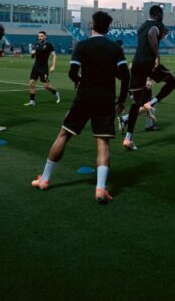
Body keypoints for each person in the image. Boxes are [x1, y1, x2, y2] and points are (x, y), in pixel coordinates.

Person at [30, 11, 129, 205]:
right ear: (108, 28)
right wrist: (122, 100)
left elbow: (72, 72)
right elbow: (125, 76)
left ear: (92, 25)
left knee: (63, 135)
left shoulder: (82, 45)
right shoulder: (115, 48)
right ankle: (100, 188)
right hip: (106, 98)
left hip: (84, 96)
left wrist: (80, 82)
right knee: (103, 143)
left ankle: (45, 179)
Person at [121, 5, 175, 151]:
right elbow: (152, 34)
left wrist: (161, 36)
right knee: (172, 81)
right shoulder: (157, 25)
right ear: (158, 14)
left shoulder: (141, 27)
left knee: (136, 102)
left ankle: (128, 137)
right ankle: (152, 102)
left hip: (137, 64)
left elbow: (149, 35)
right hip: (149, 63)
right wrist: (157, 55)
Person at [24, 31, 60, 106]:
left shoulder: (49, 45)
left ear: (45, 36)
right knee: (31, 84)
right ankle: (32, 101)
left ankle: (56, 93)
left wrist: (53, 66)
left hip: (43, 68)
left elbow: (54, 56)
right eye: (39, 36)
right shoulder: (36, 45)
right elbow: (33, 57)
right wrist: (32, 54)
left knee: (45, 85)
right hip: (36, 67)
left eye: (41, 36)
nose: (40, 37)